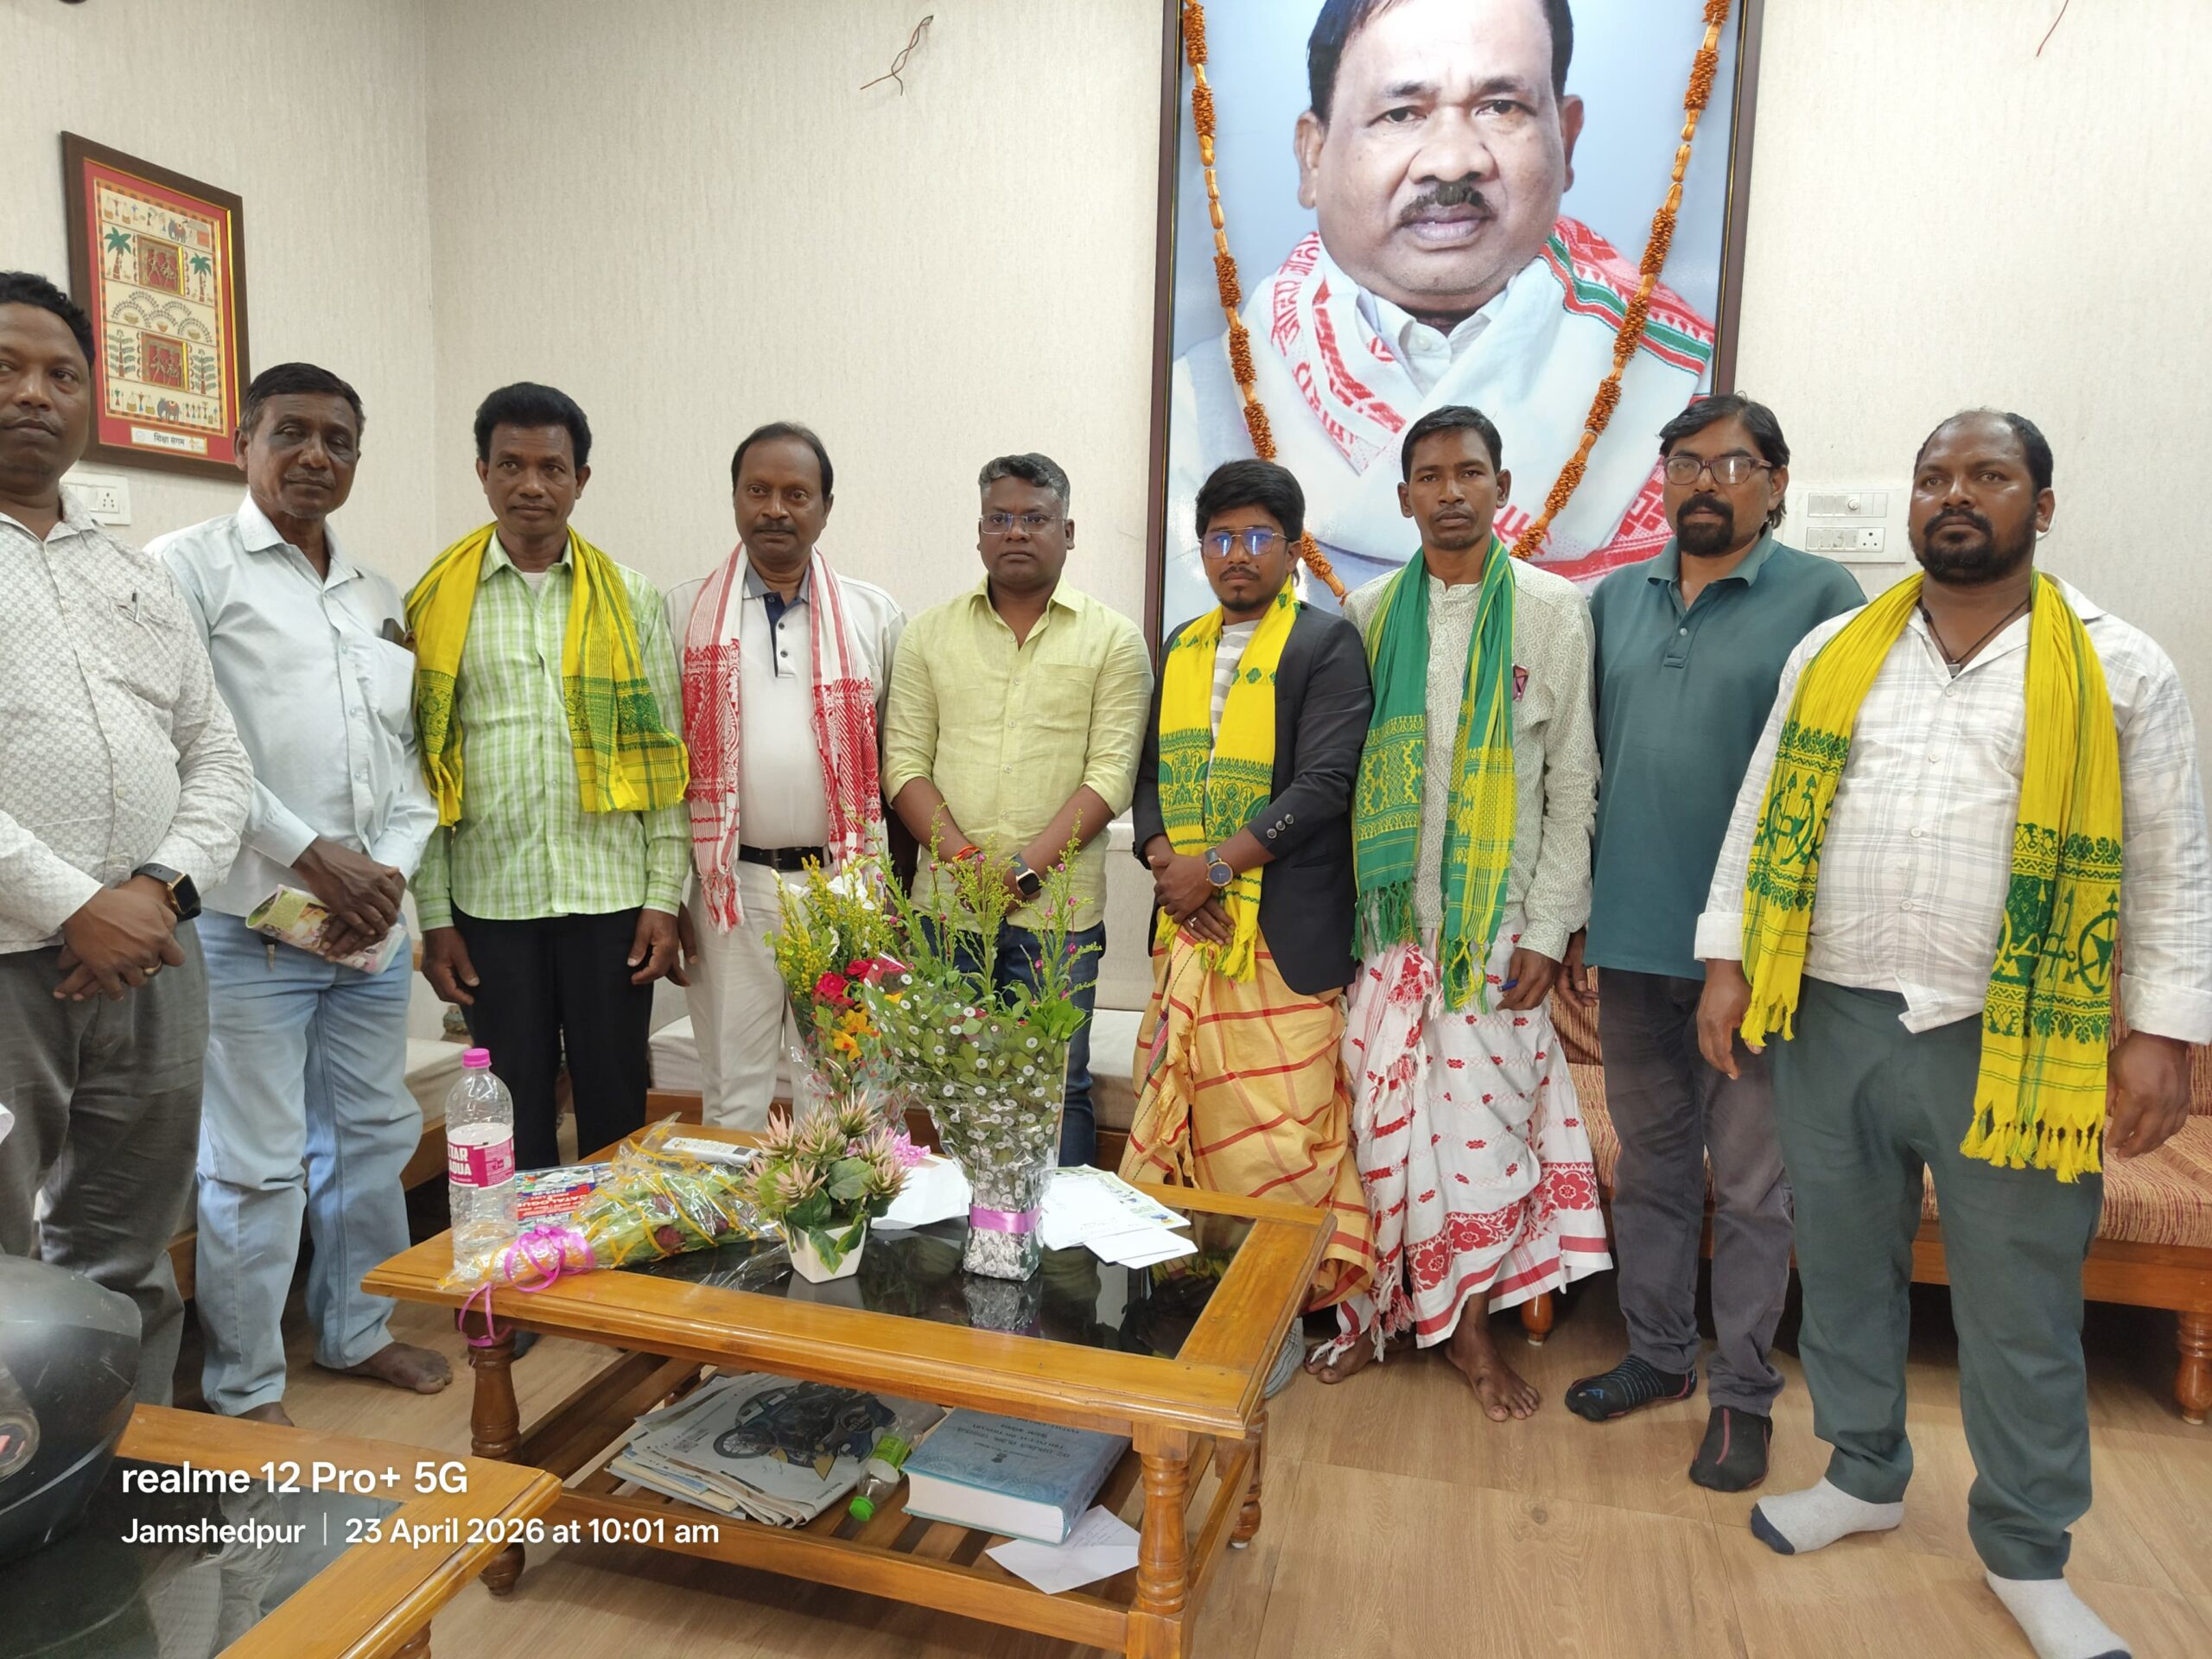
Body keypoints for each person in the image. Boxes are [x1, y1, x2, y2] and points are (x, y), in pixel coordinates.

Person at [1695, 411, 2210, 1659]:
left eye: (1989, 476)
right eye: (1934, 477)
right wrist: (1726, 961)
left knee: (2021, 1305)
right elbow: (1761, 812)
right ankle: (1862, 1474)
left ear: (2044, 504)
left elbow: (2171, 863)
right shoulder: (1836, 650)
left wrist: (2162, 1033)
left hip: (2015, 1043)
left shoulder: (2119, 666)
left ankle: (2029, 1551)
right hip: (1831, 1013)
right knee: (1844, 1270)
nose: (1955, 495)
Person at [1166, 0, 1714, 623]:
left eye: (1501, 106)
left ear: (1566, 137)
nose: (1453, 162)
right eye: (1401, 113)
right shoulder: (1201, 403)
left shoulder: (1680, 385)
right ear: (1312, 154)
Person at [1556, 395, 1862, 1489]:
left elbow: (1836, 783)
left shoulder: (1824, 600)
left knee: (1749, 1187)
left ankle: (1742, 1395)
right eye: (1684, 462)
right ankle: (1657, 1355)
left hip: (1761, 961)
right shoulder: (1612, 602)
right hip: (1633, 941)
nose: (1704, 482)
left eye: (1731, 464)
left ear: (1775, 483)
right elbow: (1580, 770)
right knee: (1648, 1169)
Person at [154, 362, 450, 1424]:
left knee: (372, 1139)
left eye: (338, 440)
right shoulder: (185, 570)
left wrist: (389, 873)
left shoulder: (377, 594)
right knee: (254, 1168)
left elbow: (408, 762)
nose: (316, 456)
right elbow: (190, 744)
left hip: (367, 932)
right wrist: (315, 856)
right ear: (242, 442)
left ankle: (356, 1330)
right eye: (291, 433)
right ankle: (244, 1387)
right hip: (250, 924)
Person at [1310, 403, 1608, 1416]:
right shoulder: (1367, 614)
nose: (1450, 493)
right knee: (1381, 1141)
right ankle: (1376, 1317)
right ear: (1403, 498)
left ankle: (1470, 1333)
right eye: (1430, 477)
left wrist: (1548, 930)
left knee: (1483, 1148)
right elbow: (1342, 777)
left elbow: (1573, 784)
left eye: (1469, 472)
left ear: (1500, 487)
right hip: (1390, 934)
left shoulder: (1553, 613)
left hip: (1496, 932)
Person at [0, 271, 252, 1403]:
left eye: (61, 374)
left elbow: (220, 758)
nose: (34, 394)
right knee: (3, 1272)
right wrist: (76, 905)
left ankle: (129, 1464)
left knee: (130, 1255)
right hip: (12, 964)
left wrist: (156, 892)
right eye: (6, 369)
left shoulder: (135, 575)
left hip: (155, 957)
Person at [1122, 460, 1377, 1364]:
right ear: (1201, 550)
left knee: (1285, 1136)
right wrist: (1168, 864)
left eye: (1260, 536)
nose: (1239, 553)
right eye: (1221, 537)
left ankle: (1281, 1313)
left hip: (1281, 933)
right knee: (1196, 1118)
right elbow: (1148, 777)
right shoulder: (1181, 646)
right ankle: (1204, 1300)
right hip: (1188, 926)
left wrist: (1216, 870)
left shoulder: (1325, 644)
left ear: (1292, 549)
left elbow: (1327, 783)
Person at [410, 383, 690, 1171]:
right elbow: (423, 770)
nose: (531, 485)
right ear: (482, 472)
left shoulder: (630, 598)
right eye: (511, 465)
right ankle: (522, 1247)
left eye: (551, 468)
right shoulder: (435, 601)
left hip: (611, 898)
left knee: (615, 1108)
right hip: (489, 902)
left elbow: (664, 762)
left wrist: (662, 899)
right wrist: (433, 915)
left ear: (580, 479)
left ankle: (616, 1247)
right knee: (509, 1110)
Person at [883, 454, 1152, 1166]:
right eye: (999, 518)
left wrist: (1023, 873)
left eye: (1035, 518)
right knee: (952, 1084)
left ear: (1069, 531)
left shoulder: (1114, 640)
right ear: (979, 533)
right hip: (947, 909)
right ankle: (963, 1228)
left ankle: (1058, 1235)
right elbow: (903, 765)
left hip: (1058, 915)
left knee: (1055, 1088)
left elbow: (1111, 776)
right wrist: (971, 867)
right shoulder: (928, 635)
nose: (1016, 532)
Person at [667, 422, 903, 1128]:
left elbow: (898, 762)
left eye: (796, 494)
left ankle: (833, 1208)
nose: (775, 509)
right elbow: (662, 770)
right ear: (735, 499)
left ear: (825, 508)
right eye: (758, 490)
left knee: (843, 1091)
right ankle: (740, 1207)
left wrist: (892, 898)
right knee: (732, 1093)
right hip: (728, 890)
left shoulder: (872, 614)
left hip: (844, 885)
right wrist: (667, 895)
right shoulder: (681, 612)